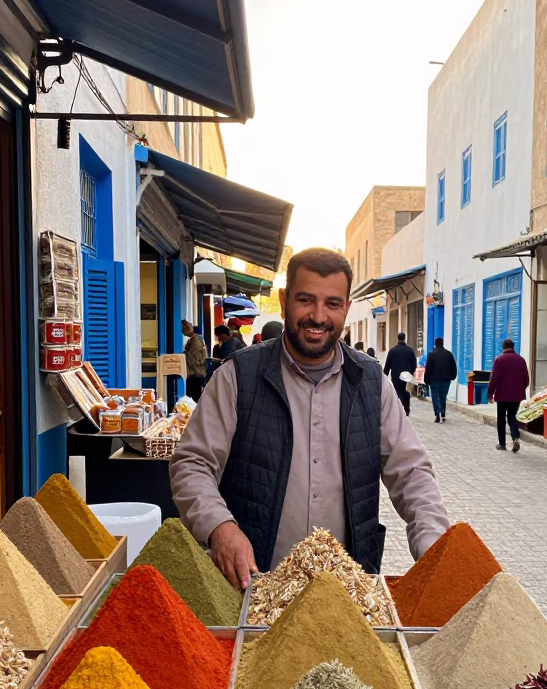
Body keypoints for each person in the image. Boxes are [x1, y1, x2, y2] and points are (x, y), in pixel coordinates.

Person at [170, 247, 450, 587]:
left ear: (346, 308)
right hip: (252, 586)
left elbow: (411, 473)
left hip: (347, 592)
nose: (318, 316)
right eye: (306, 300)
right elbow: (192, 463)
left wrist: (435, 549)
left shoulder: (371, 382)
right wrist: (219, 527)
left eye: (332, 304)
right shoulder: (237, 377)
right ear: (286, 300)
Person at [487, 338, 530, 452]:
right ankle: (515, 437)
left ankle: (502, 444)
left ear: (503, 347)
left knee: (501, 418)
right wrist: (520, 390)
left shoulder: (499, 360)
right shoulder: (521, 360)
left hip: (502, 395)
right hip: (516, 396)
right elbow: (526, 379)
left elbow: (494, 379)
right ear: (513, 347)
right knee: (512, 416)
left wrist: (490, 393)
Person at [424, 337, 457, 423]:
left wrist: (426, 379)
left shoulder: (431, 354)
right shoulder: (449, 354)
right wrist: (453, 376)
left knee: (435, 396)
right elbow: (454, 367)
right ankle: (443, 413)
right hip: (446, 379)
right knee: (443, 396)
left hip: (434, 380)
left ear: (435, 344)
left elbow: (428, 368)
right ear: (442, 343)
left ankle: (437, 413)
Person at [383, 332, 417, 415]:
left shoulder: (392, 351)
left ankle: (399, 408)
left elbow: (387, 365)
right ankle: (406, 408)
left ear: (397, 339)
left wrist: (385, 375)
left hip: (396, 375)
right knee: (405, 391)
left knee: (397, 391)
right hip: (406, 375)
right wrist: (411, 373)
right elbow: (414, 364)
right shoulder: (410, 351)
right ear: (404, 338)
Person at [181, 319, 207, 402]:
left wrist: (184, 354)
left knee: (194, 397)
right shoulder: (193, 340)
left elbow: (195, 359)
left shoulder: (195, 341)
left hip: (196, 373)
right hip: (195, 373)